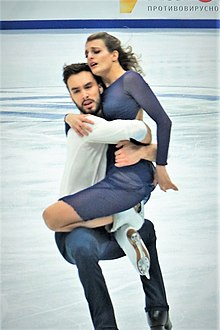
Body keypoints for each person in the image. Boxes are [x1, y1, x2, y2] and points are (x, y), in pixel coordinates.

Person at [53, 63, 172, 329]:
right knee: (105, 237)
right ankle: (116, 323)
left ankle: (157, 312)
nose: (83, 94)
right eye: (76, 91)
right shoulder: (81, 126)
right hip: (79, 230)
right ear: (70, 96)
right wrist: (67, 117)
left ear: (100, 87)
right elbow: (144, 133)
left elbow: (142, 142)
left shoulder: (109, 126)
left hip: (105, 221)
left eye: (88, 87)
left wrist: (141, 151)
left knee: (139, 229)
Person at [43, 32, 178, 235]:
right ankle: (121, 218)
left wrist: (161, 167)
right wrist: (68, 116)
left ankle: (124, 216)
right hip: (111, 171)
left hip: (131, 173)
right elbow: (90, 121)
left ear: (114, 55)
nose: (90, 57)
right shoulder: (101, 89)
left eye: (96, 51)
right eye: (87, 53)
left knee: (55, 217)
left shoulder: (130, 80)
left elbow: (163, 122)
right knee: (62, 220)